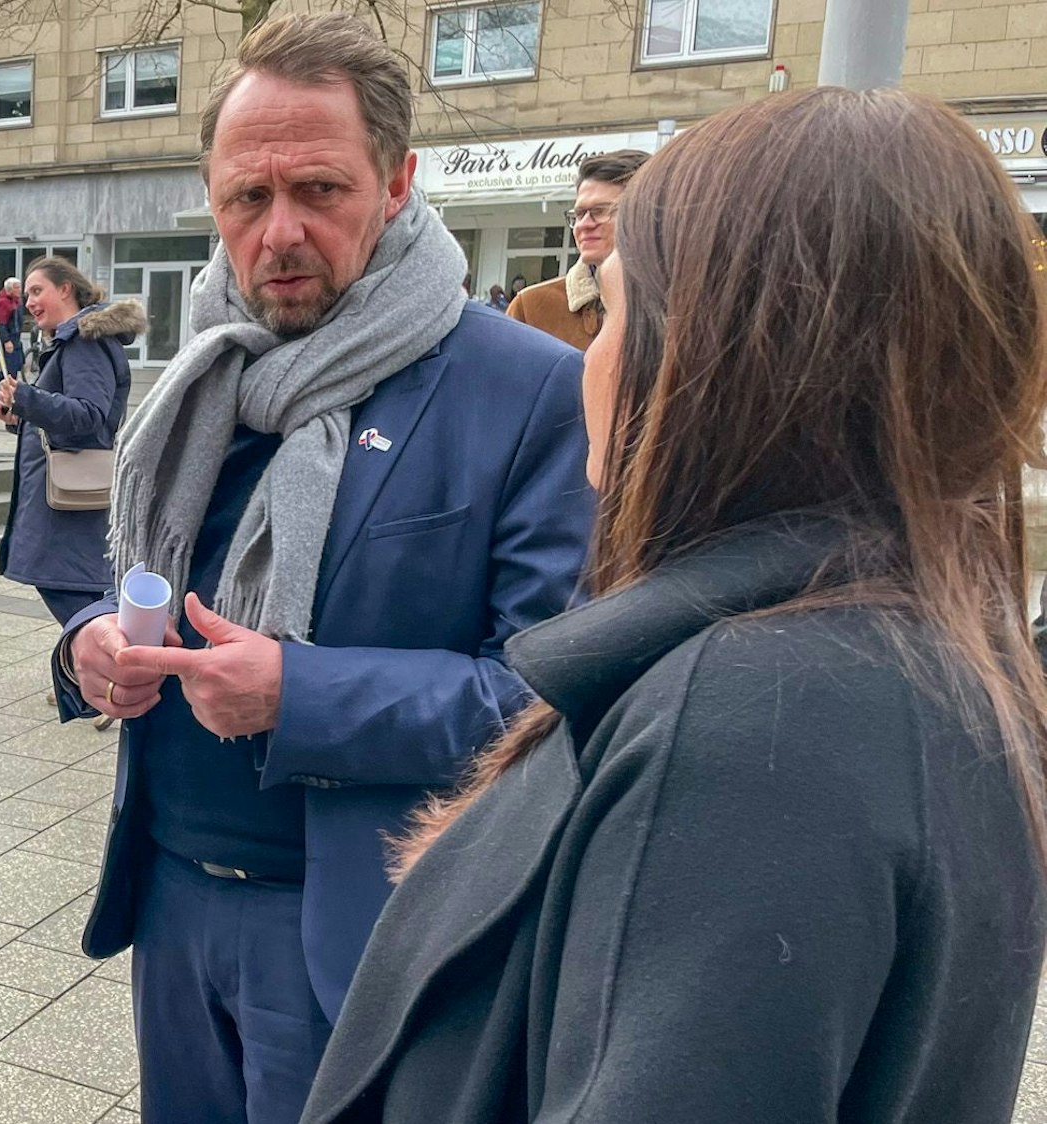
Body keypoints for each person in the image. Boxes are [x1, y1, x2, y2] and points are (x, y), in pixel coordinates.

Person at [304, 87, 1047, 1124]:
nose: (586, 361)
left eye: (613, 310)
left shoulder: (755, 730)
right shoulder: (913, 652)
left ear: (729, 357)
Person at [53, 14, 593, 1121]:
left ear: (394, 183)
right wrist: (86, 646)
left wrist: (301, 693)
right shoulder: (201, 370)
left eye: (319, 190)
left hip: (357, 922)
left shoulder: (526, 388)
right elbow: (155, 583)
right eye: (246, 198)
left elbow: (546, 691)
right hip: (169, 901)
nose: (278, 232)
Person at [0, 255, 142, 630]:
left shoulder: (84, 342)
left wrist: (27, 398)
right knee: (80, 599)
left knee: (83, 605)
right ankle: (98, 674)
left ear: (66, 289)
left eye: (38, 291)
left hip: (70, 507)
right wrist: (19, 417)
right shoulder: (70, 341)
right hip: (62, 502)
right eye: (26, 296)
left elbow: (89, 417)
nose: (29, 303)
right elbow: (66, 417)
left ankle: (104, 678)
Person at [507, 148, 648, 351]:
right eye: (580, 214)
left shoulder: (686, 305)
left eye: (600, 211)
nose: (584, 224)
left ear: (644, 212)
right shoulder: (531, 309)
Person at [0, 275, 26, 380]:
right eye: (16, 287)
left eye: (19, 287)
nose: (19, 290)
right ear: (9, 289)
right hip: (9, 337)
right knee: (11, 368)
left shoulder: (17, 300)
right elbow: (1, 323)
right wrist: (6, 340)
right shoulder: (3, 303)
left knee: (20, 363)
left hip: (16, 337)